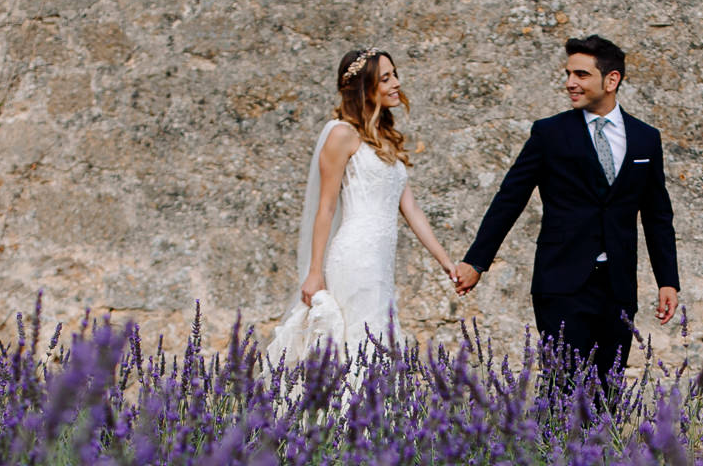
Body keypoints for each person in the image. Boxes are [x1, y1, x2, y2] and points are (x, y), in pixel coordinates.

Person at [454, 34, 680, 404]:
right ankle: (553, 460)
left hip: (618, 286)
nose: (570, 83)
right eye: (568, 73)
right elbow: (509, 199)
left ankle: (602, 461)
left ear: (611, 80)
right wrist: (476, 261)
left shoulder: (645, 139)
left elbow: (657, 214)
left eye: (581, 74)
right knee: (562, 389)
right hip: (561, 283)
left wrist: (667, 280)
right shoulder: (549, 134)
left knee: (609, 392)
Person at [268, 48, 459, 375]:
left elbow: (410, 207)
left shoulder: (384, 140)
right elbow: (326, 207)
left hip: (381, 262)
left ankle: (371, 419)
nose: (396, 83)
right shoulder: (342, 134)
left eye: (394, 74)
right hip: (355, 258)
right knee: (361, 345)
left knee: (377, 342)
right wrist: (314, 272)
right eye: (385, 78)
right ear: (364, 88)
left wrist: (446, 262)